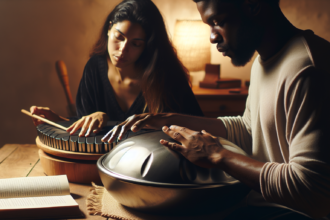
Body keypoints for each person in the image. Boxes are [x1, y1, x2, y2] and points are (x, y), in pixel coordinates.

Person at [102, 0, 330, 219]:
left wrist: (217, 154)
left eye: (218, 21)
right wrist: (167, 119)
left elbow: (313, 192)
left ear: (252, 5)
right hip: (260, 204)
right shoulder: (265, 61)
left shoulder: (307, 69)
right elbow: (248, 130)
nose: (212, 37)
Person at [30, 0, 203, 137]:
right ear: (109, 29)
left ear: (147, 46)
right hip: (99, 167)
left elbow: (198, 128)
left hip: (152, 170)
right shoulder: (94, 68)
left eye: (136, 44)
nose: (122, 50)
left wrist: (106, 120)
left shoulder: (166, 76)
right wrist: (58, 121)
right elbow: (85, 132)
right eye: (119, 37)